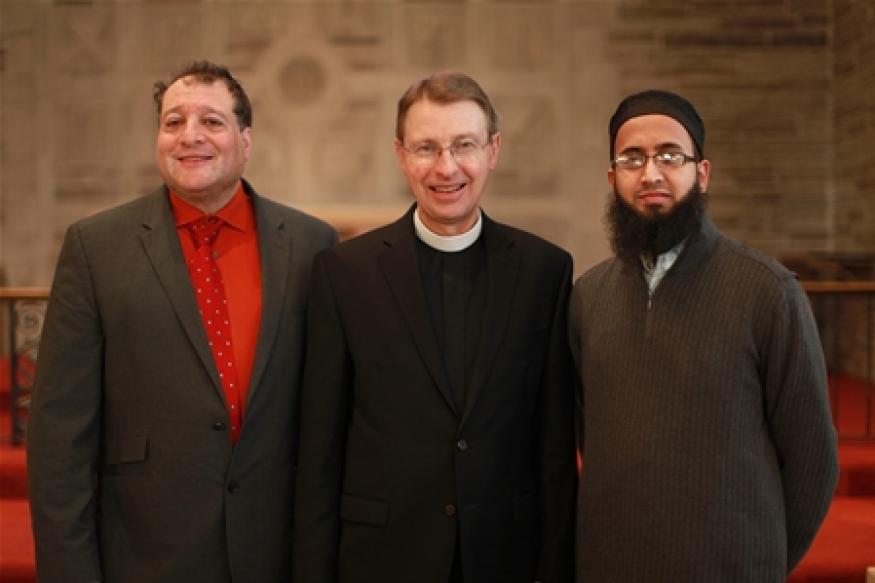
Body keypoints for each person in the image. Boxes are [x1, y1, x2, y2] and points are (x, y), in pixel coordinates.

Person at [27, 61, 337, 583]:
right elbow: (60, 436)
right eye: (173, 122)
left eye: (211, 122)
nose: (189, 136)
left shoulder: (311, 245)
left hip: (277, 551)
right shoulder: (95, 248)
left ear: (246, 139)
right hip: (145, 553)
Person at [292, 71, 577, 583]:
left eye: (463, 145)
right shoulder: (344, 273)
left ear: (493, 150)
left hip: (504, 556)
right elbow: (319, 451)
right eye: (427, 148)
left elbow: (554, 448)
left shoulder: (544, 271)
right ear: (401, 155)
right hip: (380, 559)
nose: (446, 167)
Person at [569, 89, 839, 582]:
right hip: (610, 565)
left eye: (671, 155)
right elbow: (592, 434)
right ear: (613, 179)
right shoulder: (588, 297)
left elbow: (812, 460)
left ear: (703, 172)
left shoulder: (769, 292)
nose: (651, 173)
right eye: (633, 158)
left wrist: (759, 560)